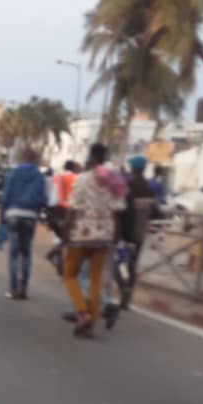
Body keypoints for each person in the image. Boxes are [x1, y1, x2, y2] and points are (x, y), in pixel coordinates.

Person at [62, 143, 123, 337]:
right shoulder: (114, 180)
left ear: (91, 157)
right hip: (104, 235)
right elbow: (118, 210)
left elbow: (72, 208)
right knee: (95, 280)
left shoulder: (81, 179)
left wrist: (65, 231)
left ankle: (82, 314)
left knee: (69, 274)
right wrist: (115, 234)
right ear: (105, 158)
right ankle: (92, 322)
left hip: (82, 235)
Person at [0, 147, 46, 299]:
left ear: (23, 158)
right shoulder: (39, 176)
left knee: (13, 254)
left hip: (12, 214)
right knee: (26, 253)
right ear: (34, 160)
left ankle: (13, 289)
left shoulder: (13, 174)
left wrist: (1, 219)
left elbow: (5, 197)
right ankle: (23, 288)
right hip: (30, 216)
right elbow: (42, 199)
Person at [116, 154, 157, 308]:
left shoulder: (126, 185)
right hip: (139, 234)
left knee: (117, 262)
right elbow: (156, 213)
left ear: (132, 168)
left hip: (123, 232)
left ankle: (122, 287)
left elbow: (118, 207)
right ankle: (128, 296)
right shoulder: (150, 189)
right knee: (132, 265)